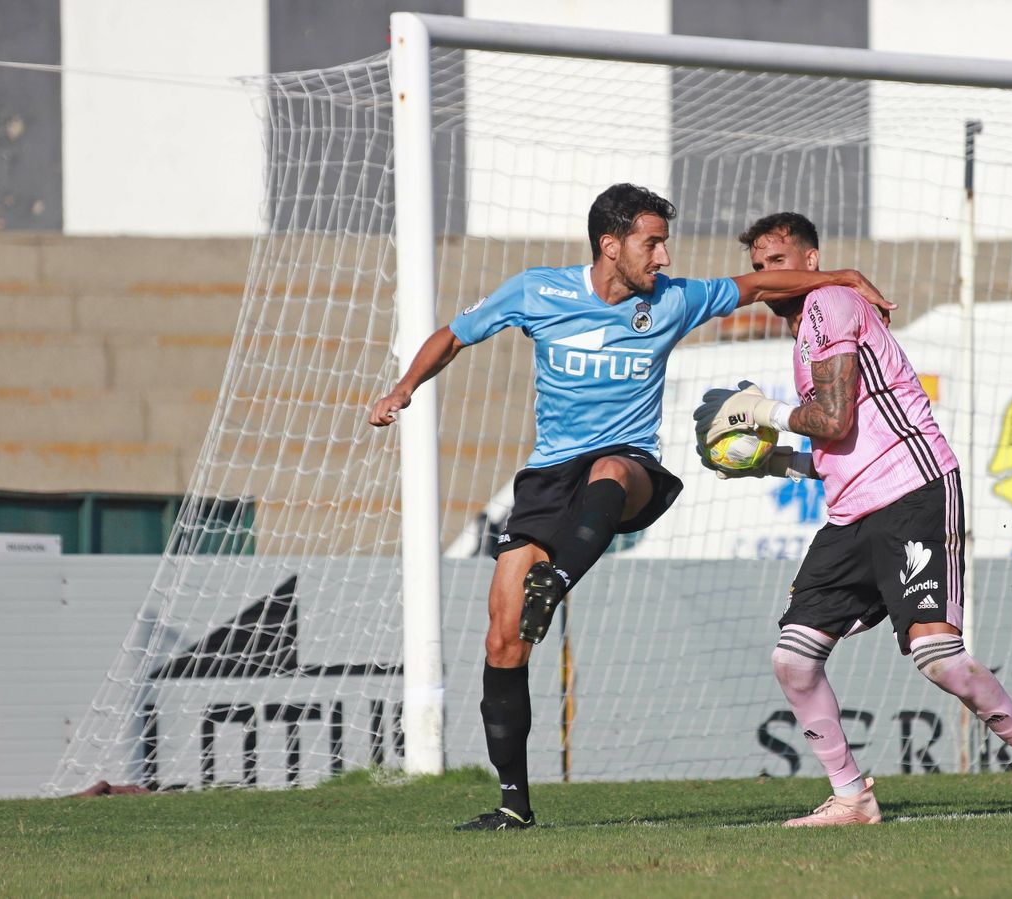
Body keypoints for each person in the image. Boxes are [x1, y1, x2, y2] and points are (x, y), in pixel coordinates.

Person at [368, 185, 892, 831]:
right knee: (504, 639)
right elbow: (454, 334)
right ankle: (513, 804)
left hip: (631, 470)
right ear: (610, 245)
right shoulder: (539, 291)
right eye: (652, 241)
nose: (665, 256)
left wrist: (842, 276)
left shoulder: (672, 300)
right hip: (547, 478)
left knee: (610, 468)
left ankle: (555, 581)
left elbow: (753, 288)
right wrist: (403, 388)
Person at [695, 212, 1012, 828]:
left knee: (940, 659)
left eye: (775, 263)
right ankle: (852, 796)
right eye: (756, 268)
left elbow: (831, 420)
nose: (763, 278)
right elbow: (842, 449)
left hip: (913, 491)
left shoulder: (830, 302)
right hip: (853, 511)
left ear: (811, 261)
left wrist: (762, 411)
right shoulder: (812, 323)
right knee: (794, 660)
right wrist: (778, 461)